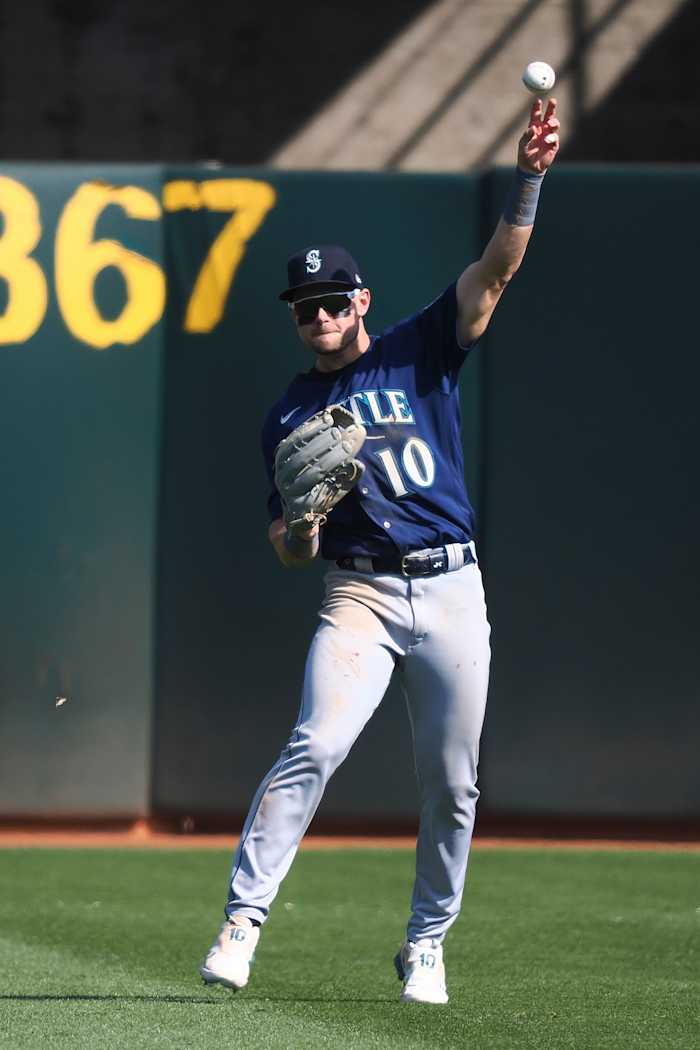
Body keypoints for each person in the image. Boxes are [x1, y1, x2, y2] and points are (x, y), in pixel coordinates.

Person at [200, 98, 560, 1004]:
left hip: (450, 586)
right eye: (302, 307)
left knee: (453, 784)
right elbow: (286, 547)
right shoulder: (288, 412)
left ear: (360, 301)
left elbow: (497, 272)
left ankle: (427, 943)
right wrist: (306, 528)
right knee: (314, 744)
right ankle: (243, 923)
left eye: (331, 300)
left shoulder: (420, 348)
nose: (317, 315)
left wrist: (528, 179)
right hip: (355, 596)